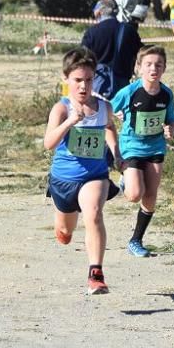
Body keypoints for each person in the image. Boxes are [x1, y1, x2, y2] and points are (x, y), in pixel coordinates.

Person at [44, 47, 121, 295]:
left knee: (94, 213)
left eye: (89, 80)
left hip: (94, 176)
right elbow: (49, 143)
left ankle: (95, 274)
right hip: (64, 179)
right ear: (66, 80)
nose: (83, 86)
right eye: (78, 80)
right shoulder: (61, 109)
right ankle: (63, 230)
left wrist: (117, 155)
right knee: (66, 231)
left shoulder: (103, 107)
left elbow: (109, 127)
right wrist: (70, 122)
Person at [111, 45, 174, 258]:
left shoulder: (167, 94)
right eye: (148, 64)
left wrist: (170, 130)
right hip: (131, 146)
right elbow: (108, 109)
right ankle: (125, 178)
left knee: (151, 194)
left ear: (164, 68)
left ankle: (136, 240)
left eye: (158, 65)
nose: (153, 69)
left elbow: (171, 120)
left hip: (156, 146)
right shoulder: (130, 92)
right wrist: (118, 113)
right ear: (139, 68)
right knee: (134, 195)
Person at [80, 0, 142, 99]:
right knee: (121, 113)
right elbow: (141, 53)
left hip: (98, 82)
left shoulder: (91, 32)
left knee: (98, 113)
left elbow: (82, 58)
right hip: (123, 82)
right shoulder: (128, 30)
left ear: (98, 12)